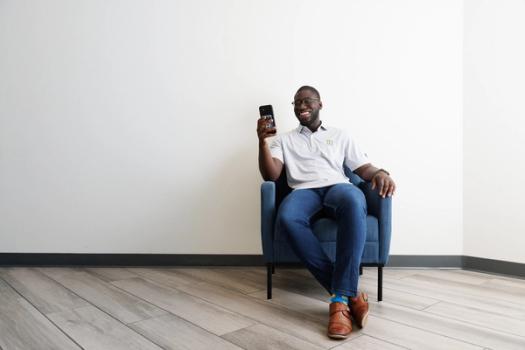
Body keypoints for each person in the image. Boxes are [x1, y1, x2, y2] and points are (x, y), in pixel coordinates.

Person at [256, 85, 396, 339]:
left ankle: (339, 301)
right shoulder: (283, 140)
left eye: (307, 101)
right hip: (303, 191)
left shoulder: (340, 135)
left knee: (355, 200)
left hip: (337, 187)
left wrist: (380, 173)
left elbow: (363, 168)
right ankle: (347, 293)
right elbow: (271, 174)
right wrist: (262, 142)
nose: (301, 106)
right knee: (287, 217)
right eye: (297, 103)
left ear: (320, 104)